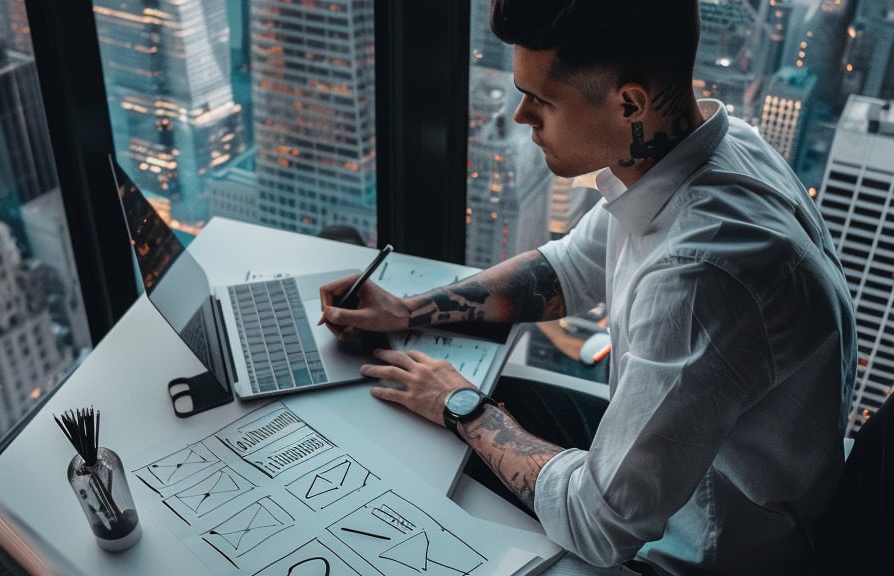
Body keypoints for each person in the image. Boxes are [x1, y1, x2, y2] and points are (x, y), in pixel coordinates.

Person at [318, 1, 858, 574]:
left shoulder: (702, 277)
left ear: (630, 103)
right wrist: (407, 310)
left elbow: (599, 527)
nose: (522, 115)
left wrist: (462, 407)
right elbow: (566, 269)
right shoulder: (710, 152)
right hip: (683, 484)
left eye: (541, 99)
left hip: (696, 551)